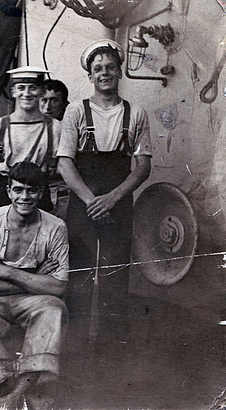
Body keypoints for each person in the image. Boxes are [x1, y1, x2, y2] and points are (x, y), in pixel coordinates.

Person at [56, 40, 151, 318]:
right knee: (79, 277)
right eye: (98, 69)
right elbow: (64, 163)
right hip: (83, 205)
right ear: (90, 76)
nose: (104, 72)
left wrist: (112, 199)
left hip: (118, 205)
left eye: (110, 67)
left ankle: (111, 353)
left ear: (120, 72)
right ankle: (75, 350)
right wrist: (92, 202)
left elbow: (143, 166)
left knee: (115, 279)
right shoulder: (75, 110)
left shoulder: (136, 113)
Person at [0, 162, 69, 409]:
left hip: (31, 301)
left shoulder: (55, 227)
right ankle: (6, 387)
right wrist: (33, 279)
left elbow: (58, 288)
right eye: (18, 190)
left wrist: (7, 272)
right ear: (9, 191)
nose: (25, 197)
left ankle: (18, 392)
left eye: (32, 191)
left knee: (53, 307)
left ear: (41, 193)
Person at [0, 66, 61, 226]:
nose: (26, 94)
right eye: (21, 88)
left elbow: (63, 175)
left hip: (38, 197)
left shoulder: (55, 128)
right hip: (1, 195)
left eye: (33, 88)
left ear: (41, 91)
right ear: (13, 92)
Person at [40, 79, 71, 219]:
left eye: (53, 101)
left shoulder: (67, 129)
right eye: (43, 100)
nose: (47, 107)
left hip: (59, 193)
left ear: (64, 104)